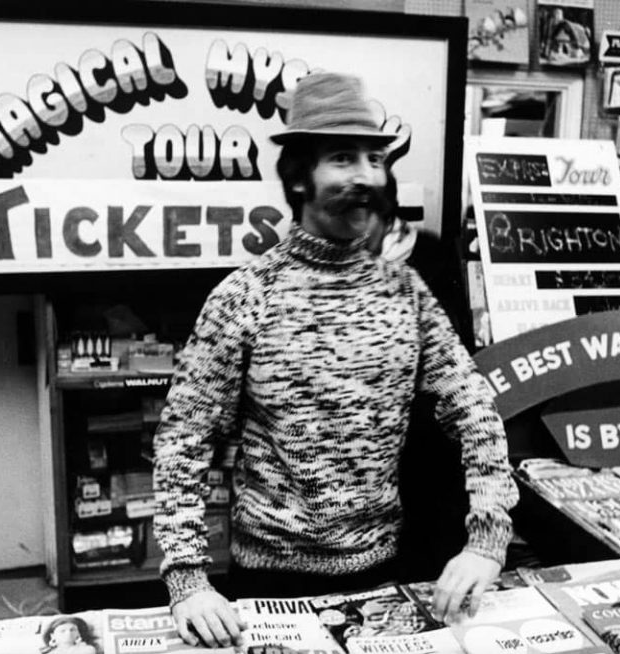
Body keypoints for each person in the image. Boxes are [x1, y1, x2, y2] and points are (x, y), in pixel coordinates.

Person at [152, 72, 518, 648]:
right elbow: (183, 440)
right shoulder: (247, 295)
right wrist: (187, 578)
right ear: (299, 177)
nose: (367, 177)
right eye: (344, 158)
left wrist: (486, 542)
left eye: (375, 159)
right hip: (266, 589)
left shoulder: (407, 292)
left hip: (381, 581)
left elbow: (476, 414)